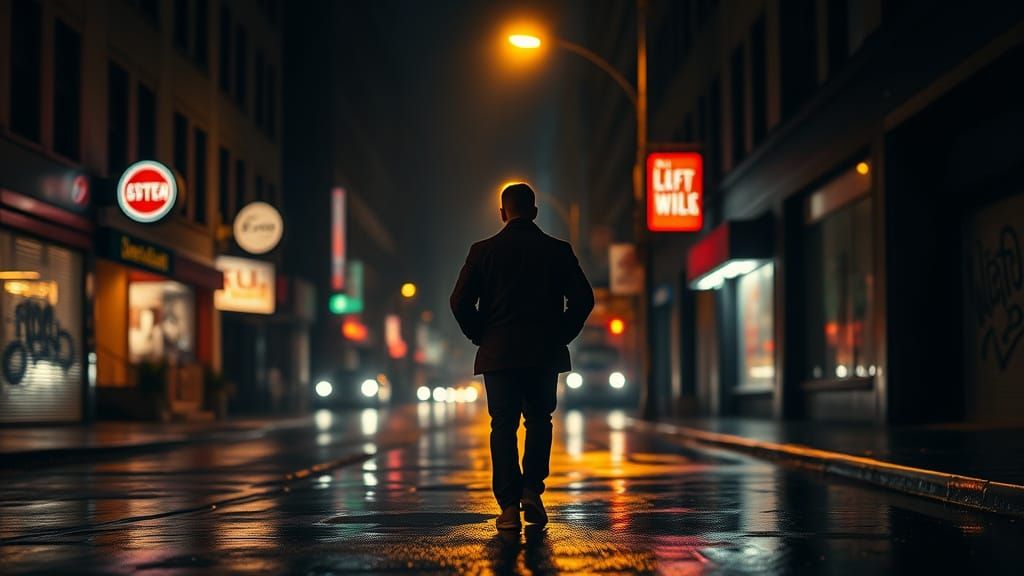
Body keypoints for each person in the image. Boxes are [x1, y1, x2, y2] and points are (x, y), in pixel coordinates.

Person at [450, 182, 594, 531]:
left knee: (503, 425)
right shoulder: (558, 251)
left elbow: (459, 302)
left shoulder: (482, 251)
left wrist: (480, 335)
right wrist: (560, 335)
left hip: (498, 354)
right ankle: (532, 490)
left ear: (503, 213)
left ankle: (509, 508)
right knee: (539, 421)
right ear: (534, 211)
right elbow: (583, 300)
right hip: (543, 353)